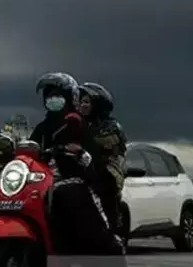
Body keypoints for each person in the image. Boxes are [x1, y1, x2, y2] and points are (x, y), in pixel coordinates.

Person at [26, 72, 124, 257]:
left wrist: (79, 153)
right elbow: (33, 147)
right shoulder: (43, 127)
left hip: (76, 181)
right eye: (49, 95)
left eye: (58, 95)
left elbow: (92, 158)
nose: (52, 99)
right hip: (44, 182)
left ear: (69, 97)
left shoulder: (78, 123)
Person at [79, 81, 128, 235]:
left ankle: (112, 235)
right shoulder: (76, 123)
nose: (82, 105)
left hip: (105, 171)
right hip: (77, 170)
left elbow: (107, 147)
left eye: (86, 102)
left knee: (107, 188)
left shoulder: (111, 126)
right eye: (80, 101)